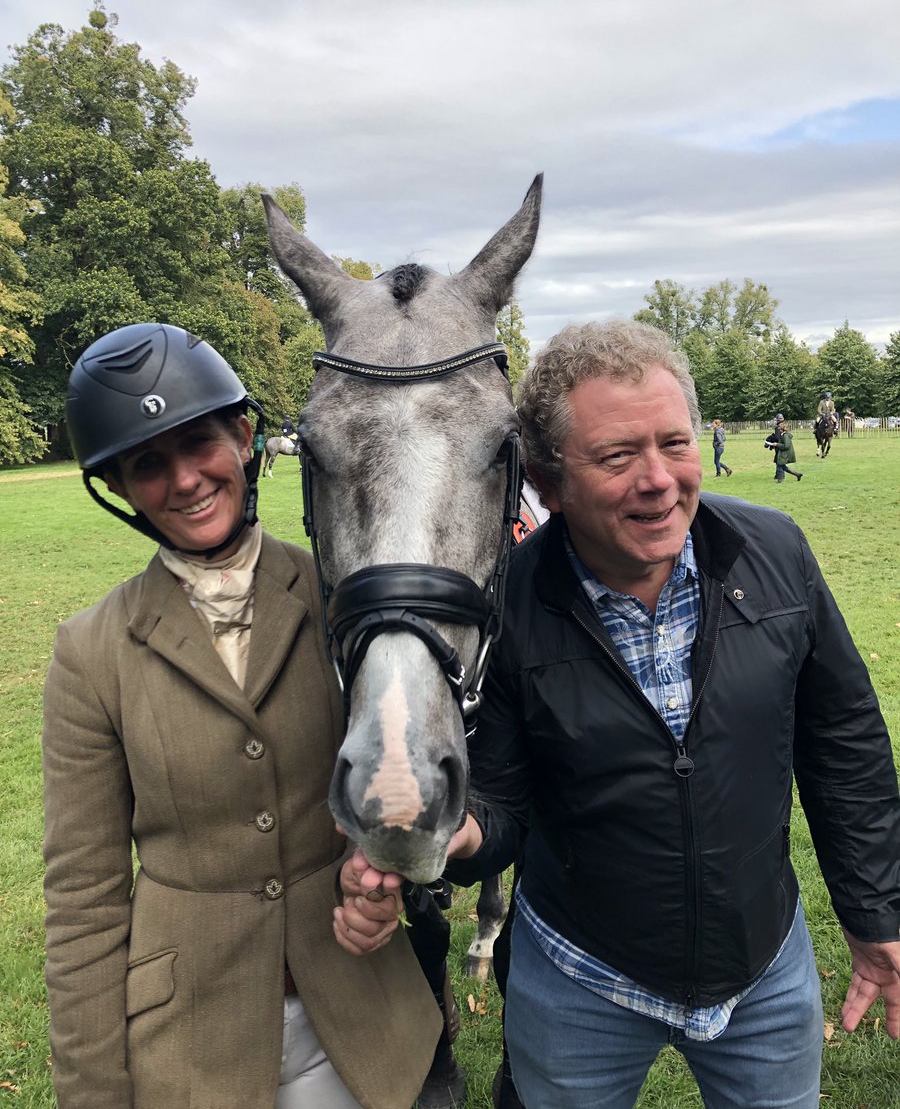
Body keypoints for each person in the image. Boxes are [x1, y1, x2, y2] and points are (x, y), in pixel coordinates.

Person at [339, 320, 900, 1109]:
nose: (659, 480)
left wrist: (875, 914)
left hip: (765, 976)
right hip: (578, 985)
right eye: (616, 456)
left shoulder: (777, 555)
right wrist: (459, 834)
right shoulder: (507, 605)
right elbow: (498, 801)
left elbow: (846, 747)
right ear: (547, 480)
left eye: (674, 443)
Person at [43, 323, 440, 1109]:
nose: (186, 480)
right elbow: (84, 899)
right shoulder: (89, 653)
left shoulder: (342, 597)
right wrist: (92, 1093)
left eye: (199, 443)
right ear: (119, 487)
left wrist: (383, 874)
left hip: (359, 1010)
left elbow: (416, 770)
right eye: (148, 464)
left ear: (245, 436)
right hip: (194, 1042)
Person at [763, 414, 786, 481]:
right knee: (778, 460)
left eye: (777, 419)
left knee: (779, 461)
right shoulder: (782, 425)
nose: (776, 421)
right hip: (780, 445)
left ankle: (780, 476)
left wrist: (770, 438)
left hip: (780, 445)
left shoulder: (780, 427)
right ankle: (778, 475)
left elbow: (777, 437)